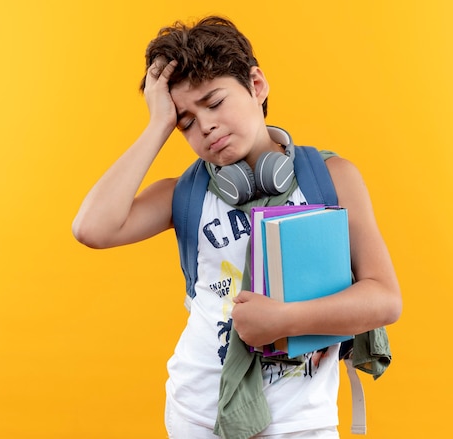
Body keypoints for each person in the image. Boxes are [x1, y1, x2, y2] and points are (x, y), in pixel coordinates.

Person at [72, 16, 401, 438]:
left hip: (300, 420)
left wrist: (285, 320)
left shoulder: (330, 179)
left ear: (256, 85)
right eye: (186, 121)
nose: (205, 125)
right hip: (198, 414)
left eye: (213, 102)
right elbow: (91, 228)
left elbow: (384, 298)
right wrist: (157, 125)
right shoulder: (186, 194)